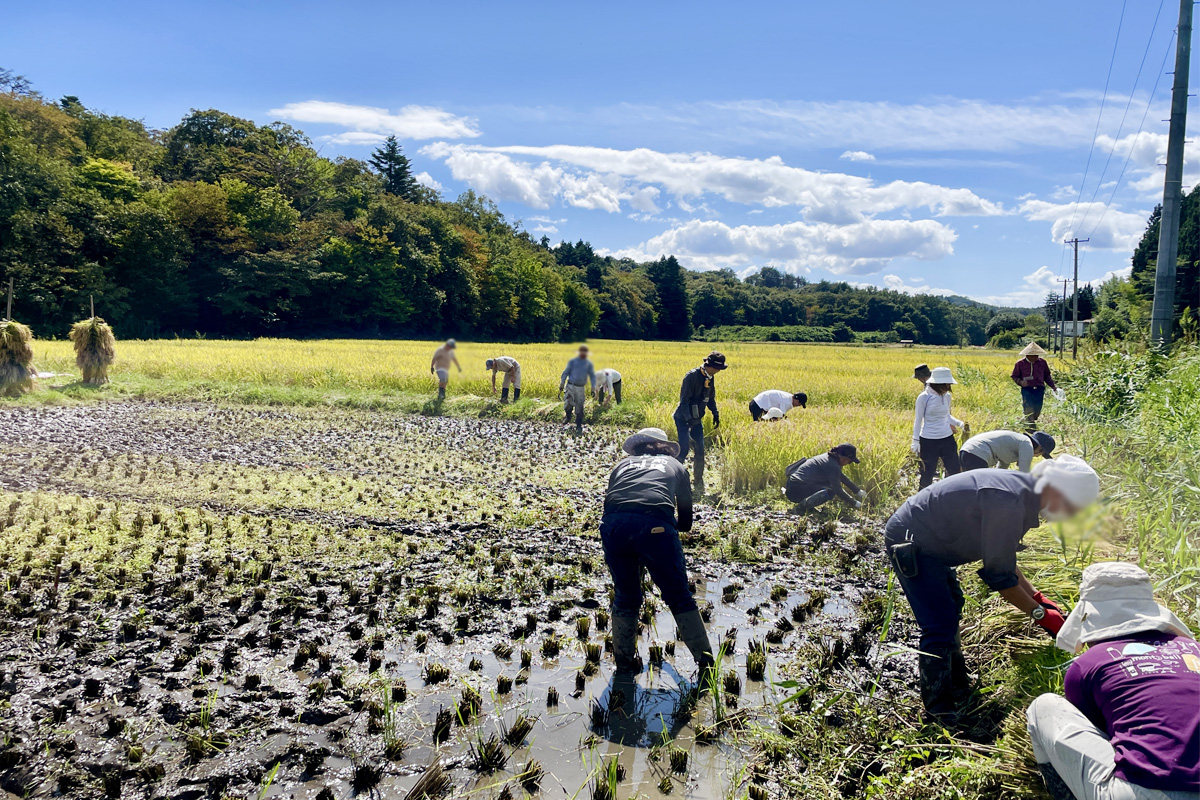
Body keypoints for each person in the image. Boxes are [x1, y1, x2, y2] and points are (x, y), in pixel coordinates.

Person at [883, 455, 1101, 722]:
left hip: (935, 540)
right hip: (913, 540)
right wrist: (1040, 615)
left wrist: (1037, 598)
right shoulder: (1008, 502)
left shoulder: (1023, 493)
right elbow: (999, 577)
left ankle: (958, 682)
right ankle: (939, 708)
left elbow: (1004, 559)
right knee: (938, 624)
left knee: (952, 605)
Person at [1027, 562, 1198, 800]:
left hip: (1146, 790)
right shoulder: (1194, 650)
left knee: (1043, 707)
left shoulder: (1088, 664)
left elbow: (1101, 731)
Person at [601, 428, 714, 678]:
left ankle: (624, 665)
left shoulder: (621, 466)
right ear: (663, 448)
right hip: (656, 524)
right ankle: (707, 665)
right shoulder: (674, 465)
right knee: (678, 596)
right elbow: (685, 520)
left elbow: (612, 503)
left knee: (625, 595)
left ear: (638, 448)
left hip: (613, 526)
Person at [674, 351, 726, 496]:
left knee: (700, 449)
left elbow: (710, 397)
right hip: (683, 418)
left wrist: (715, 412)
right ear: (709, 365)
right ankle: (673, 477)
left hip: (696, 419)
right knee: (683, 449)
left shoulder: (711, 377)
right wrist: (688, 419)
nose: (718, 371)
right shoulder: (691, 376)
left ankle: (698, 480)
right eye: (717, 368)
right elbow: (684, 401)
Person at [912, 366, 966, 489]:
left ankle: (956, 495)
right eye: (947, 383)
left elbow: (947, 416)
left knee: (955, 470)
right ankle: (923, 502)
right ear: (938, 383)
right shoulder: (924, 397)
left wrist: (959, 423)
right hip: (928, 441)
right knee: (927, 474)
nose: (949, 386)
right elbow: (918, 420)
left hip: (947, 439)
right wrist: (915, 441)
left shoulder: (946, 396)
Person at [783, 443, 867, 512]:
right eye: (849, 461)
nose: (848, 463)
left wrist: (857, 491)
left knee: (829, 487)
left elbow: (840, 476)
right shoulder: (832, 465)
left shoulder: (829, 458)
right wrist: (854, 503)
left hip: (793, 486)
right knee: (830, 491)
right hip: (796, 489)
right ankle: (801, 508)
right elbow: (837, 489)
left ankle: (807, 506)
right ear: (843, 458)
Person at [1012, 342, 1059, 431]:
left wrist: (1053, 386)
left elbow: (1047, 376)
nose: (1034, 357)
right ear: (1027, 355)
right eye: (1032, 355)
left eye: (1036, 355)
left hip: (1039, 389)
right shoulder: (1020, 364)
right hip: (1027, 389)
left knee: (1037, 409)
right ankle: (1030, 428)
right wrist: (1021, 382)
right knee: (1028, 407)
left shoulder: (1042, 363)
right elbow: (1014, 376)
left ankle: (1029, 420)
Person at [960, 430, 1055, 473]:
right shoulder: (1027, 444)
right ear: (1040, 448)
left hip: (967, 450)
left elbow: (1000, 473)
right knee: (980, 490)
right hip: (978, 453)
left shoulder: (1016, 444)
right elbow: (1024, 476)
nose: (1037, 456)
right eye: (1040, 454)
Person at [558, 344, 596, 435]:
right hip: (570, 386)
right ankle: (568, 416)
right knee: (568, 404)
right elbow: (565, 373)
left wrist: (593, 388)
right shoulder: (572, 362)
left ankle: (578, 425)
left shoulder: (588, 364)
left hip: (580, 387)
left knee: (580, 406)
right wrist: (562, 383)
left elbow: (592, 376)